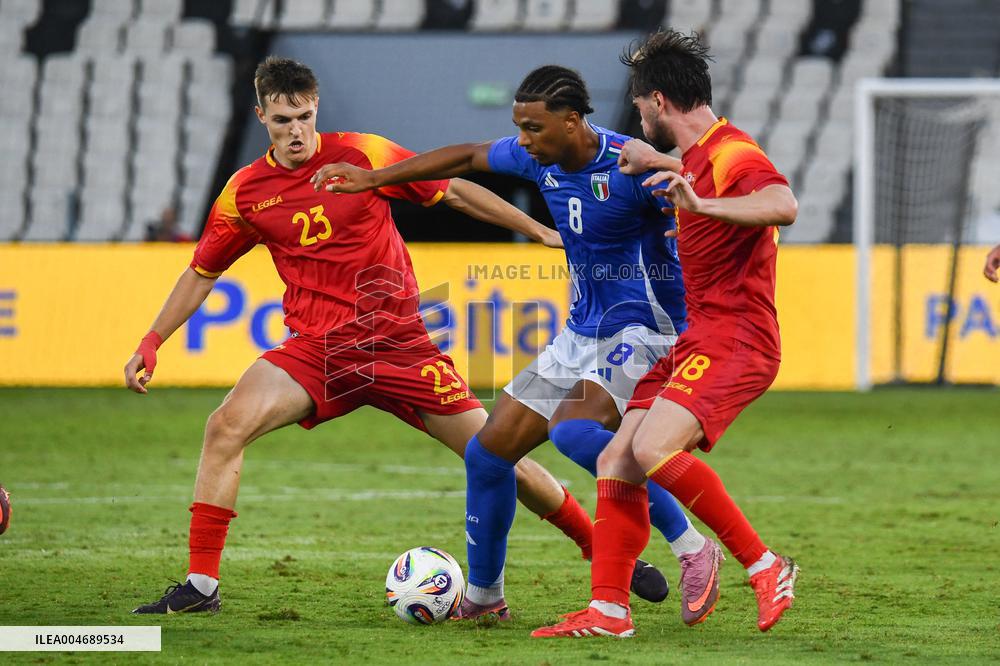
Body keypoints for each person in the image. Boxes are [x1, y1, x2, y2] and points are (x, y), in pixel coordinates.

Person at [126, 56, 600, 614]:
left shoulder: (364, 155)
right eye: (282, 121)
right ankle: (201, 587)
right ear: (262, 116)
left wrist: (539, 230)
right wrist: (151, 341)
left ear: (316, 108)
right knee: (225, 426)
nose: (295, 130)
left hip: (399, 345)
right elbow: (200, 273)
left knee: (498, 456)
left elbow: (451, 191)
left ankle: (603, 550)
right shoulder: (246, 193)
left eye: (303, 116)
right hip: (318, 352)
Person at [312, 65, 718, 624]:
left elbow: (704, 200)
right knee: (487, 453)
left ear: (572, 121)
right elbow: (466, 157)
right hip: (581, 332)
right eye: (519, 128)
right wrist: (373, 180)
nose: (522, 141)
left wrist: (685, 221)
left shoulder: (629, 165)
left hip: (644, 330)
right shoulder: (537, 158)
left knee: (577, 433)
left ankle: (693, 548)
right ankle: (484, 598)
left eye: (533, 128)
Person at [531, 30, 800, 638]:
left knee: (650, 450)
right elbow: (697, 175)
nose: (635, 116)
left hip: (738, 338)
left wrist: (701, 209)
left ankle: (764, 564)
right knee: (616, 458)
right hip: (698, 336)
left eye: (638, 103)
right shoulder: (700, 157)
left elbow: (782, 204)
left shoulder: (733, 152)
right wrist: (663, 168)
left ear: (657, 101)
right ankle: (609, 612)